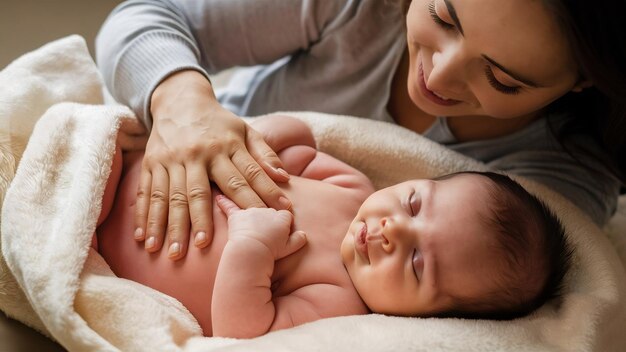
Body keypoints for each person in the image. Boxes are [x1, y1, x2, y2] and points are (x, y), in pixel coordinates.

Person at [95, 0, 625, 260]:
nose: (437, 76)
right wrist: (182, 104)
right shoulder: (361, 10)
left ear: (583, 81)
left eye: (502, 79)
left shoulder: (561, 180)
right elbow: (148, 17)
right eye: (443, 16)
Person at [95, 115, 570, 338]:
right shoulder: (351, 186)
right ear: (414, 181)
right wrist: (266, 141)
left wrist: (251, 246)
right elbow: (295, 149)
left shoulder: (338, 301)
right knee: (100, 137)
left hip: (108, 247)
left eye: (418, 263)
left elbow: (242, 330)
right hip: (144, 161)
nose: (392, 231)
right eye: (413, 204)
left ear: (431, 319)